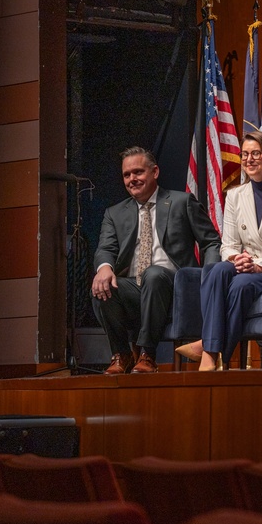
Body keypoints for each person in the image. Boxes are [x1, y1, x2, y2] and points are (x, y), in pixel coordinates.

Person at [178, 131, 262, 371]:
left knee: (240, 285)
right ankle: (212, 355)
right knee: (217, 270)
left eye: (255, 153)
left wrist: (259, 264)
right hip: (246, 268)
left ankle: (210, 350)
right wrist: (237, 259)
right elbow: (228, 244)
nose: (248, 159)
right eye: (244, 154)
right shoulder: (236, 195)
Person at [92, 147, 221, 375]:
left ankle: (147, 354)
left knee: (154, 274)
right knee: (102, 286)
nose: (132, 179)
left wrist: (207, 277)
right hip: (136, 288)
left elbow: (211, 242)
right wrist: (104, 268)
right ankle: (122, 355)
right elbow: (105, 249)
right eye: (127, 175)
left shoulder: (182, 202)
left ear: (155, 172)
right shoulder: (114, 213)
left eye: (138, 172)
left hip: (176, 287)